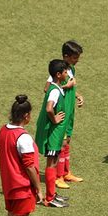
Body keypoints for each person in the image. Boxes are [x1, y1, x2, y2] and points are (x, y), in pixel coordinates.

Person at [0, 95, 45, 216]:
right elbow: (29, 166)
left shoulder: (3, 131)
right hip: (21, 185)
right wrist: (38, 188)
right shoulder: (23, 137)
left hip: (9, 183)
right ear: (26, 116)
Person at [44, 41, 84, 190]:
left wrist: (77, 95)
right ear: (66, 56)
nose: (77, 60)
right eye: (74, 57)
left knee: (68, 141)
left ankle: (66, 173)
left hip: (69, 111)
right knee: (61, 143)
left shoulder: (71, 69)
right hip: (62, 111)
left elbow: (71, 87)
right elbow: (47, 88)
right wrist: (66, 86)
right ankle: (58, 176)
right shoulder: (59, 70)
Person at [35, 59, 70, 208]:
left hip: (55, 134)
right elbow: (49, 108)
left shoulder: (56, 88)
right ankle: (49, 198)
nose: (67, 74)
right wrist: (54, 119)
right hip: (53, 134)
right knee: (51, 163)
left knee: (54, 162)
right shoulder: (55, 91)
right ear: (58, 74)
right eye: (65, 72)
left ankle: (52, 194)